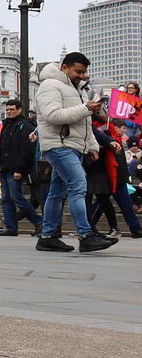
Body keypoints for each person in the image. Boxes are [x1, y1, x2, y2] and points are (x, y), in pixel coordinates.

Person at [35, 52, 118, 253]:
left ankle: (47, 236)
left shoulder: (77, 88)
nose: (82, 75)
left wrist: (91, 146)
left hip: (72, 145)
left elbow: (85, 122)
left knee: (56, 192)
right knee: (78, 185)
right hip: (59, 144)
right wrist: (86, 108)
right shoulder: (49, 86)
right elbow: (52, 115)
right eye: (78, 71)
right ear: (65, 67)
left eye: (84, 72)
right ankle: (85, 234)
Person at [0, 99, 41, 236]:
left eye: (12, 109)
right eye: (7, 110)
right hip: (4, 167)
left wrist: (20, 170)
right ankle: (11, 227)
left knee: (16, 197)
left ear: (19, 110)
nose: (9, 112)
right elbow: (4, 148)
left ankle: (39, 222)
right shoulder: (7, 126)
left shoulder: (25, 126)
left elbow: (26, 150)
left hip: (15, 169)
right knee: (6, 199)